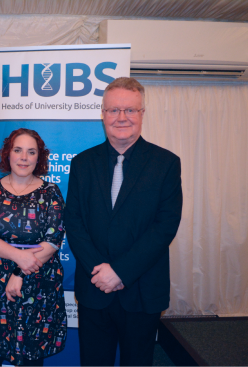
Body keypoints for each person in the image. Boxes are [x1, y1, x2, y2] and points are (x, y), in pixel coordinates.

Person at [65, 77, 183, 367]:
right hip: (94, 289)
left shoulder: (166, 163)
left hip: (142, 291)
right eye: (114, 110)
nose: (121, 117)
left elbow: (165, 225)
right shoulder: (82, 163)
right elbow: (74, 221)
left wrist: (119, 271)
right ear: (103, 114)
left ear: (142, 114)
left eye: (130, 110)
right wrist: (101, 272)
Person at [0, 128, 67, 367]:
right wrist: (18, 258)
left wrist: (19, 272)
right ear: (8, 154)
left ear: (39, 158)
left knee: (30, 358)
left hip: (36, 284)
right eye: (18, 150)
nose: (24, 157)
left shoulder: (50, 192)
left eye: (31, 152)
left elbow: (54, 240)